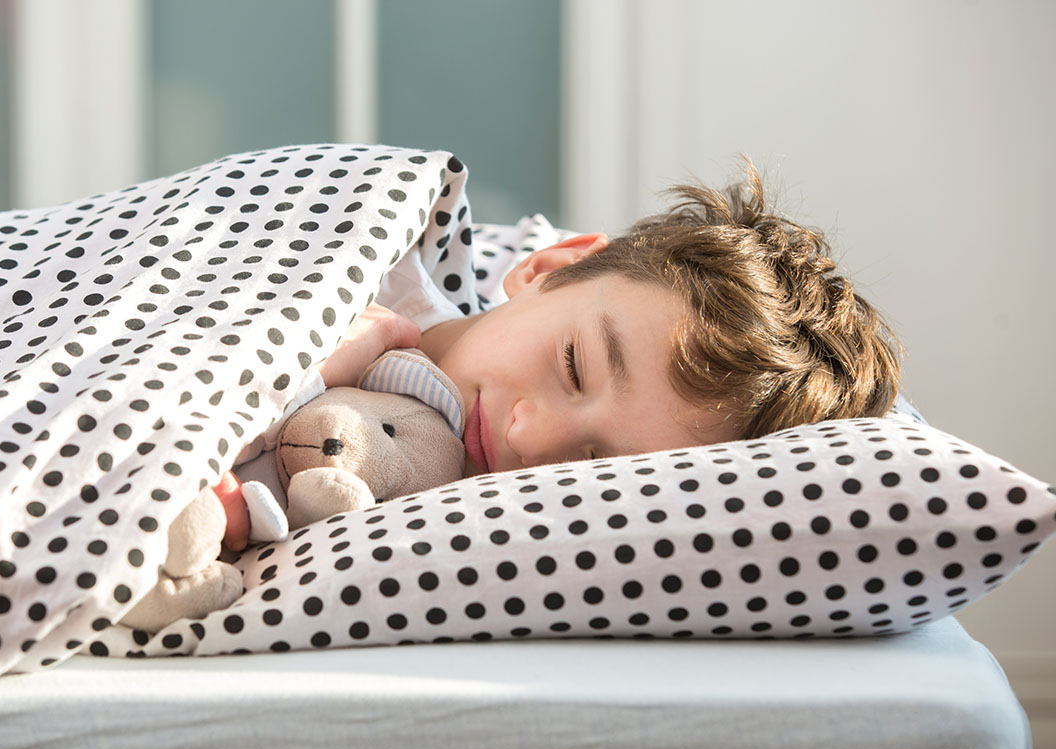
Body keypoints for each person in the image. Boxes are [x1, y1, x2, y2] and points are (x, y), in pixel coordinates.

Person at [215, 162, 901, 550]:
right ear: (549, 265)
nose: (528, 437)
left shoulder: (479, 538)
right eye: (574, 364)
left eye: (598, 468)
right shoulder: (381, 274)